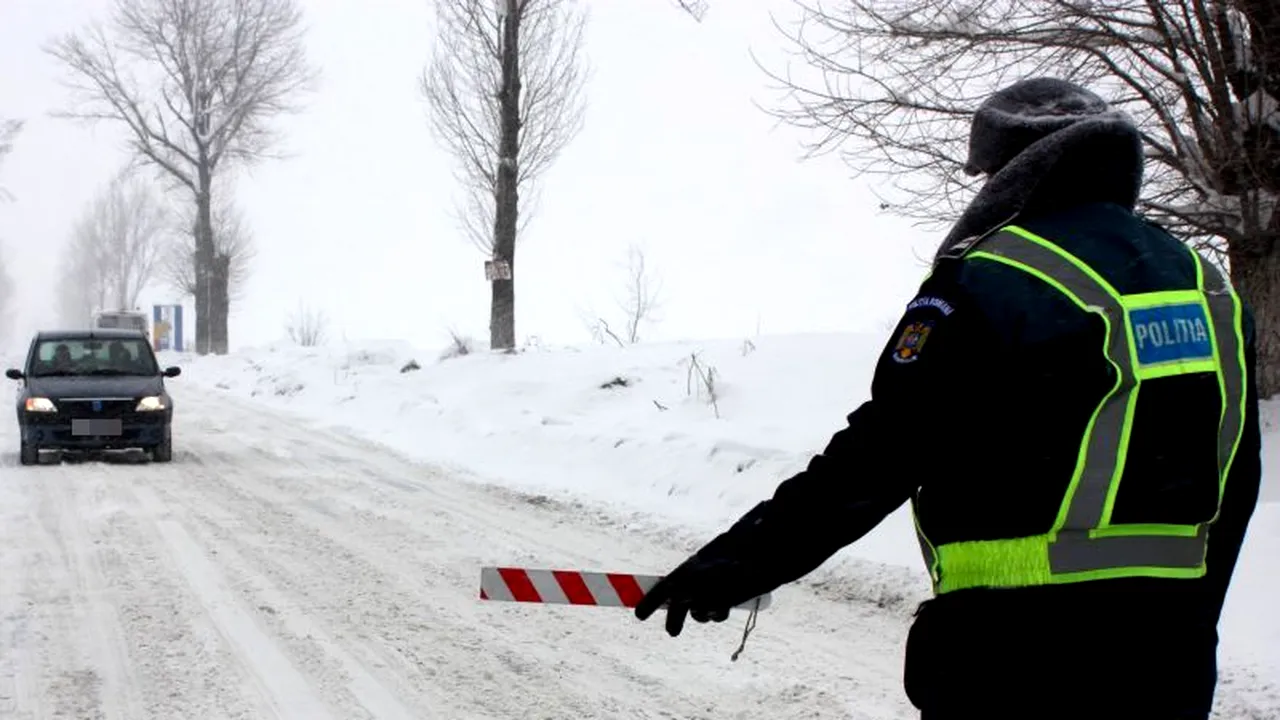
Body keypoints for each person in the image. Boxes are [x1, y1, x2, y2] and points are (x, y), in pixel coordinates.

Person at [634, 77, 1262, 720]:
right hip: (1165, 660)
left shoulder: (991, 277)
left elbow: (879, 457)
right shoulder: (1205, 285)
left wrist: (737, 564)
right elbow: (1235, 475)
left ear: (1012, 173)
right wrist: (1191, 630)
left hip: (1011, 657)